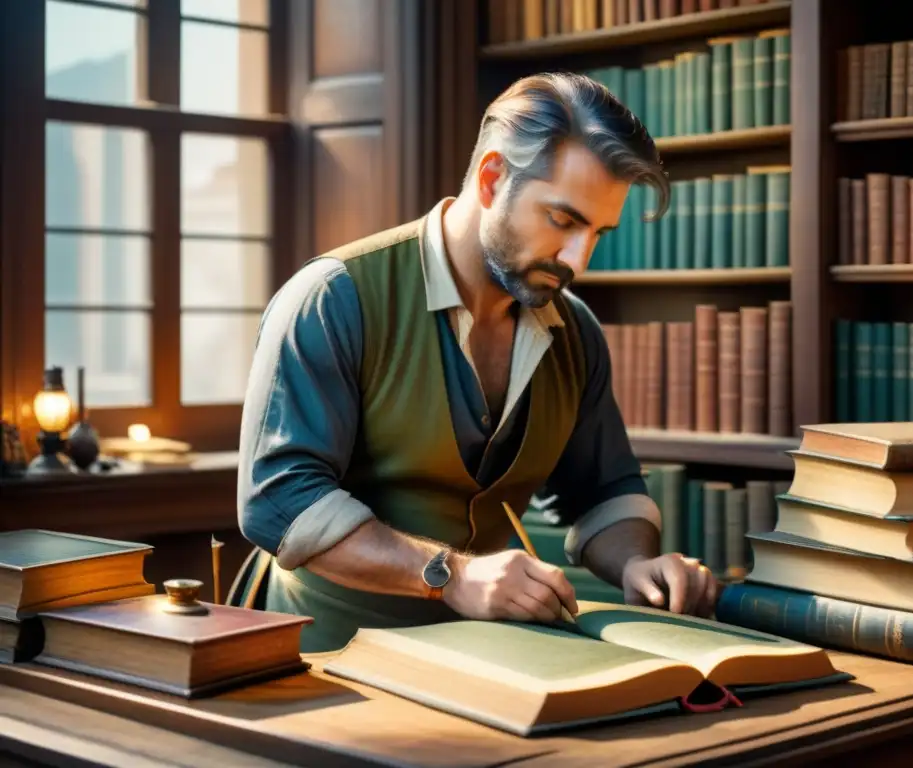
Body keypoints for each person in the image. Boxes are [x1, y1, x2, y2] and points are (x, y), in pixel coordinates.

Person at [235, 72, 719, 652]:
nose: (577, 258)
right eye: (563, 220)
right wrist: (453, 576)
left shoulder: (576, 333)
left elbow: (603, 490)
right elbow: (279, 500)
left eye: (598, 232)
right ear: (492, 178)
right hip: (322, 659)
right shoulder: (333, 299)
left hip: (488, 661)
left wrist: (639, 563)